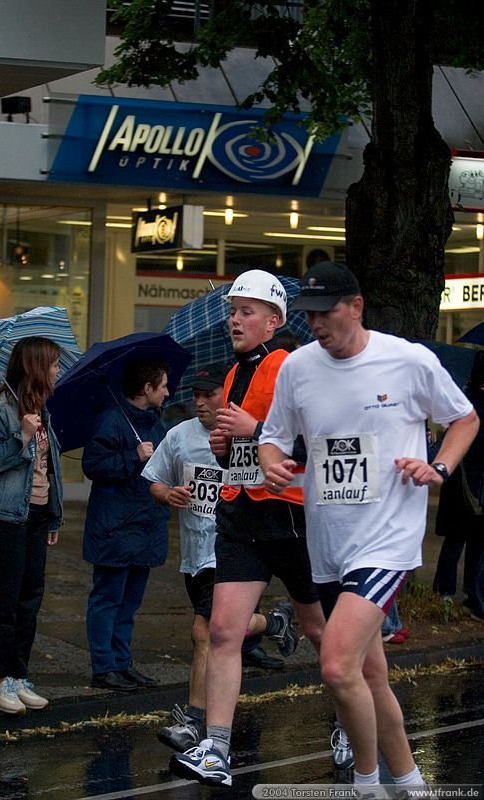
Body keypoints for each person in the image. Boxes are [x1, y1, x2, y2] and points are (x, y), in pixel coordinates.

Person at [257, 260, 479, 789]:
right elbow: (273, 436)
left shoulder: (407, 361)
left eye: (326, 313)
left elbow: (464, 417)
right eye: (308, 315)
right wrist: (270, 461)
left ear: (356, 307)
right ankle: (409, 781)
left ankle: (365, 781)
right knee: (371, 674)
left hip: (386, 540)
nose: (316, 325)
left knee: (336, 666)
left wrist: (438, 467)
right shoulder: (298, 368)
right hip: (329, 541)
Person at [170, 269, 327, 788]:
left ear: (273, 321)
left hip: (291, 517)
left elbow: (316, 443)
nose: (234, 319)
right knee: (220, 630)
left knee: (321, 631)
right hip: (240, 518)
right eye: (232, 310)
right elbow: (245, 453)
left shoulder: (292, 367)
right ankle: (216, 747)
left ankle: (350, 718)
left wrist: (252, 432)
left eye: (246, 311)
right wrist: (226, 448)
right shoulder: (234, 375)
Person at [142, 362, 294, 754]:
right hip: (194, 555)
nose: (201, 402)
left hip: (230, 548)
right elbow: (155, 479)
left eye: (209, 395)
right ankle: (274, 621)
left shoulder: (246, 433)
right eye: (195, 395)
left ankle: (196, 721)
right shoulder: (179, 436)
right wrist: (168, 494)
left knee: (204, 632)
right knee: (224, 629)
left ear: (227, 395)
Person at [0, 336, 63, 715]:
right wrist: (22, 437)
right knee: (3, 601)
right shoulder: (0, 410)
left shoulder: (43, 410)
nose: (58, 371)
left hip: (35, 517)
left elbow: (49, 470)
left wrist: (53, 514)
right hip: (3, 519)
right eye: (54, 364)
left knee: (29, 600)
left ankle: (18, 673)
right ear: (36, 368)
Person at [82, 357, 171, 692]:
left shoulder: (153, 422)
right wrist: (133, 456)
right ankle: (103, 667)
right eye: (162, 385)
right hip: (115, 526)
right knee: (108, 597)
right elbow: (94, 465)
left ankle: (122, 662)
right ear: (146, 388)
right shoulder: (111, 418)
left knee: (130, 601)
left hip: (145, 522)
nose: (167, 392)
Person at [433, 350, 484, 620]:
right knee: (472, 539)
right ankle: (470, 595)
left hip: (458, 478)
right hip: (471, 482)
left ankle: (445, 592)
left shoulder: (461, 398)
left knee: (457, 539)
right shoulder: (474, 404)